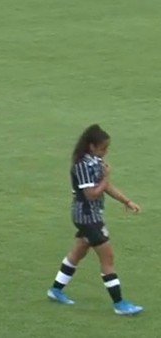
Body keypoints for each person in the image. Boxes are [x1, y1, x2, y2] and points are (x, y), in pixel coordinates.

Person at [46, 124, 143, 316]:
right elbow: (91, 194)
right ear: (91, 146)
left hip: (91, 215)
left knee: (78, 252)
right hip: (87, 217)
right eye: (102, 148)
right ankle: (120, 304)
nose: (105, 152)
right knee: (108, 258)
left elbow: (106, 187)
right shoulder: (82, 165)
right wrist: (106, 177)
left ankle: (56, 290)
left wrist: (127, 201)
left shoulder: (95, 161)